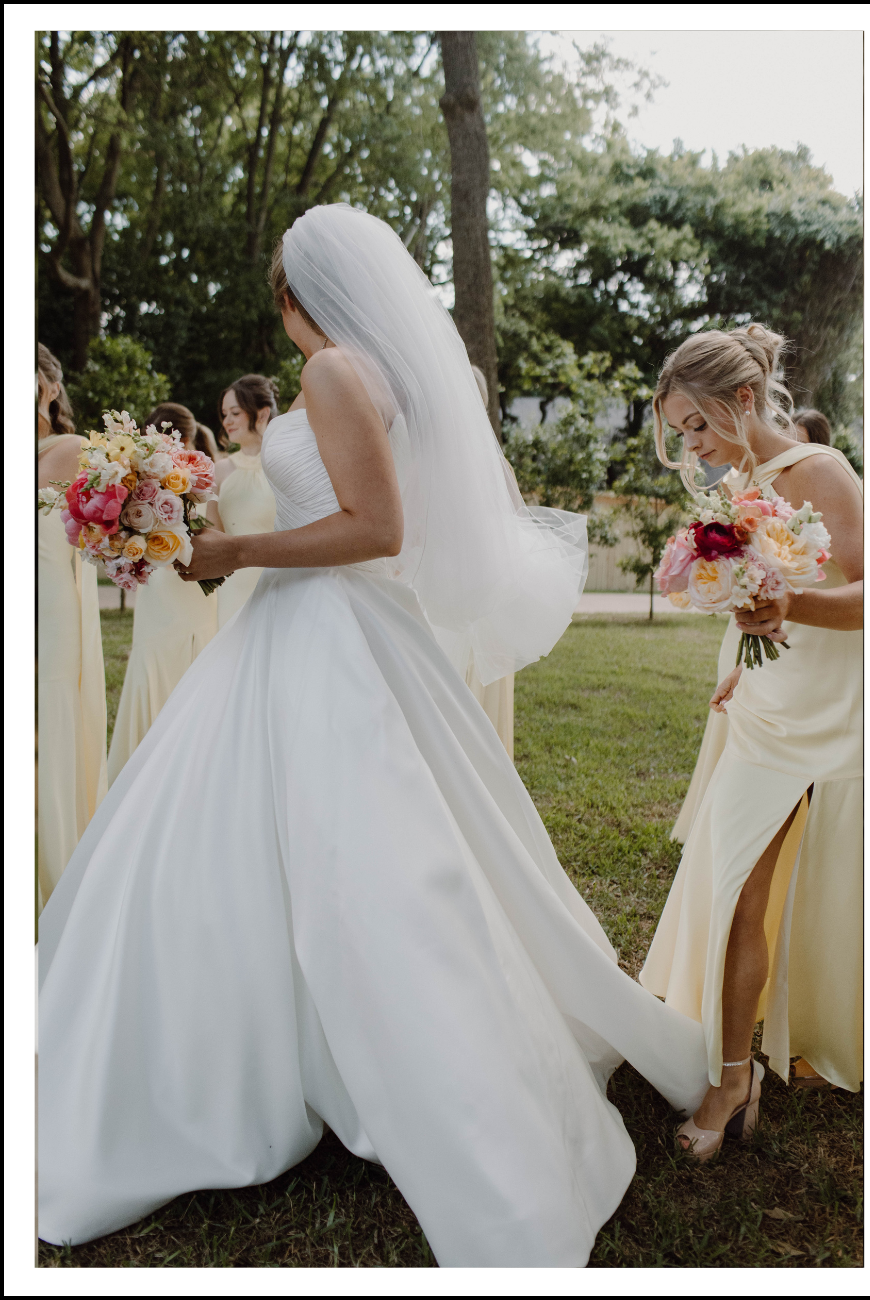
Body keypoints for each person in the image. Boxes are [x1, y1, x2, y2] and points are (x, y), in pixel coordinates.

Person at [37, 205, 711, 1266]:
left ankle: (349, 1073)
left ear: (298, 292)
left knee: (364, 868)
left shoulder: (334, 374)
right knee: (310, 849)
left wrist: (234, 550)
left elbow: (375, 528)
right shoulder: (374, 372)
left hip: (328, 634)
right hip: (318, 630)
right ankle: (301, 1050)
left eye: (281, 292)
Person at [640, 323, 863, 1159]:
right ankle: (734, 1062)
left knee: (738, 886)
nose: (691, 447)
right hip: (765, 704)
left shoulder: (819, 472)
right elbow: (762, 596)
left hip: (816, 717)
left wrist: (787, 610)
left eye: (696, 425)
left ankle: (734, 1082)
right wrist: (743, 659)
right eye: (680, 432)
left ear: (741, 400)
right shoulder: (743, 483)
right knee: (731, 880)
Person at [106, 403, 219, 784]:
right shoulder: (136, 478)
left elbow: (212, 532)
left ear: (181, 439)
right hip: (156, 583)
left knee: (190, 664)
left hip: (188, 582)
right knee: (150, 660)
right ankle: (141, 769)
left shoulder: (200, 478)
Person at [36, 344, 107, 909]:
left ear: (51, 388)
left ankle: (57, 862)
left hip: (52, 604)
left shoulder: (71, 449)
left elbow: (98, 535)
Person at [430, 365, 516, 758]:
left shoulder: (487, 463)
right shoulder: (432, 455)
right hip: (437, 593)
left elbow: (510, 532)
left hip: (473, 599)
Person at [205, 376, 278, 628]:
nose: (226, 421)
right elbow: (213, 533)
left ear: (262, 413)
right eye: (224, 414)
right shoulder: (219, 470)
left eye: (235, 412)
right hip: (235, 587)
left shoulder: (283, 464)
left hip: (282, 578)